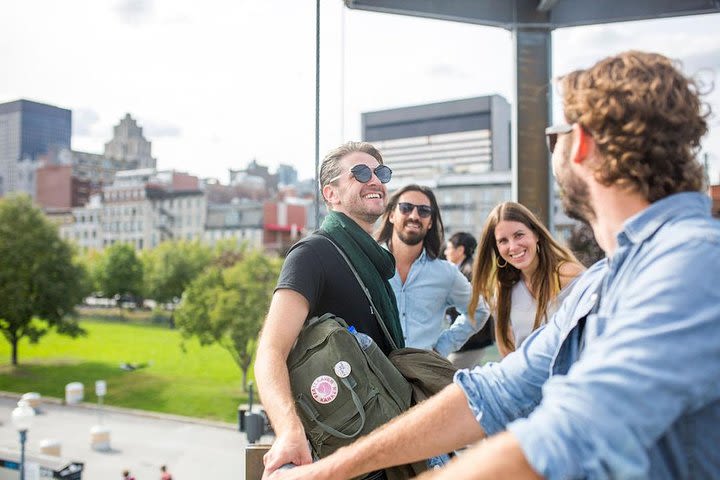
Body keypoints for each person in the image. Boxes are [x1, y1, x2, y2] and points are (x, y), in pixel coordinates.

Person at [267, 51, 720, 480]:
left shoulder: (693, 264)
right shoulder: (605, 281)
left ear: (580, 144)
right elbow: (494, 393)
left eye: (554, 135)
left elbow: (570, 434)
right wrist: (329, 471)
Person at [255, 141, 401, 479]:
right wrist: (289, 430)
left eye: (380, 172)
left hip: (383, 443)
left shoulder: (375, 262)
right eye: (360, 173)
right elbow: (270, 351)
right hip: (340, 451)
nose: (375, 180)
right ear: (331, 194)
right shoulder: (312, 254)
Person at [375, 185, 489, 355]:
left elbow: (479, 311)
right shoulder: (368, 263)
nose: (414, 216)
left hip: (423, 376)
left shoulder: (446, 274)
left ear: (430, 223)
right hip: (375, 372)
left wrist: (443, 347)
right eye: (406, 208)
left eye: (424, 211)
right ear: (391, 214)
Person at [470, 202, 584, 357]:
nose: (513, 247)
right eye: (503, 241)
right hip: (528, 378)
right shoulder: (504, 290)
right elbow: (508, 354)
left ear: (536, 234)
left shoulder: (568, 276)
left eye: (519, 235)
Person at [443, 232, 495, 369]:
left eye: (449, 248)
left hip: (471, 340)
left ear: (460, 250)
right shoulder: (464, 269)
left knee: (448, 374)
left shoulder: (469, 272)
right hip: (473, 339)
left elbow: (477, 307)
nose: (445, 252)